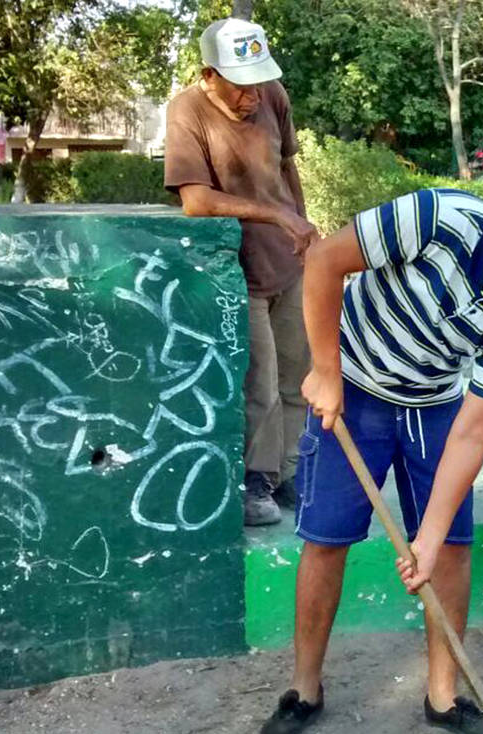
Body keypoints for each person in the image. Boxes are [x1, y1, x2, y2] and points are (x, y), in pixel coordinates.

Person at [258, 189, 483, 734]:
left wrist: (430, 539)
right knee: (326, 540)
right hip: (354, 385)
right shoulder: (436, 219)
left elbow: (472, 431)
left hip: (435, 405)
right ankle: (305, 689)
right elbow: (324, 260)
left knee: (454, 548)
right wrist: (325, 370)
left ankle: (443, 697)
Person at [164, 18, 318, 526]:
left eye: (258, 82)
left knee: (298, 378)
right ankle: (256, 480)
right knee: (261, 386)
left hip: (288, 262)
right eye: (240, 85)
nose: (252, 95)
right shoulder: (186, 110)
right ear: (209, 75)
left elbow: (288, 165)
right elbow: (195, 200)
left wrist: (302, 226)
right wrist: (277, 215)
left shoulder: (272, 94)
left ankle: (291, 473)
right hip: (238, 271)